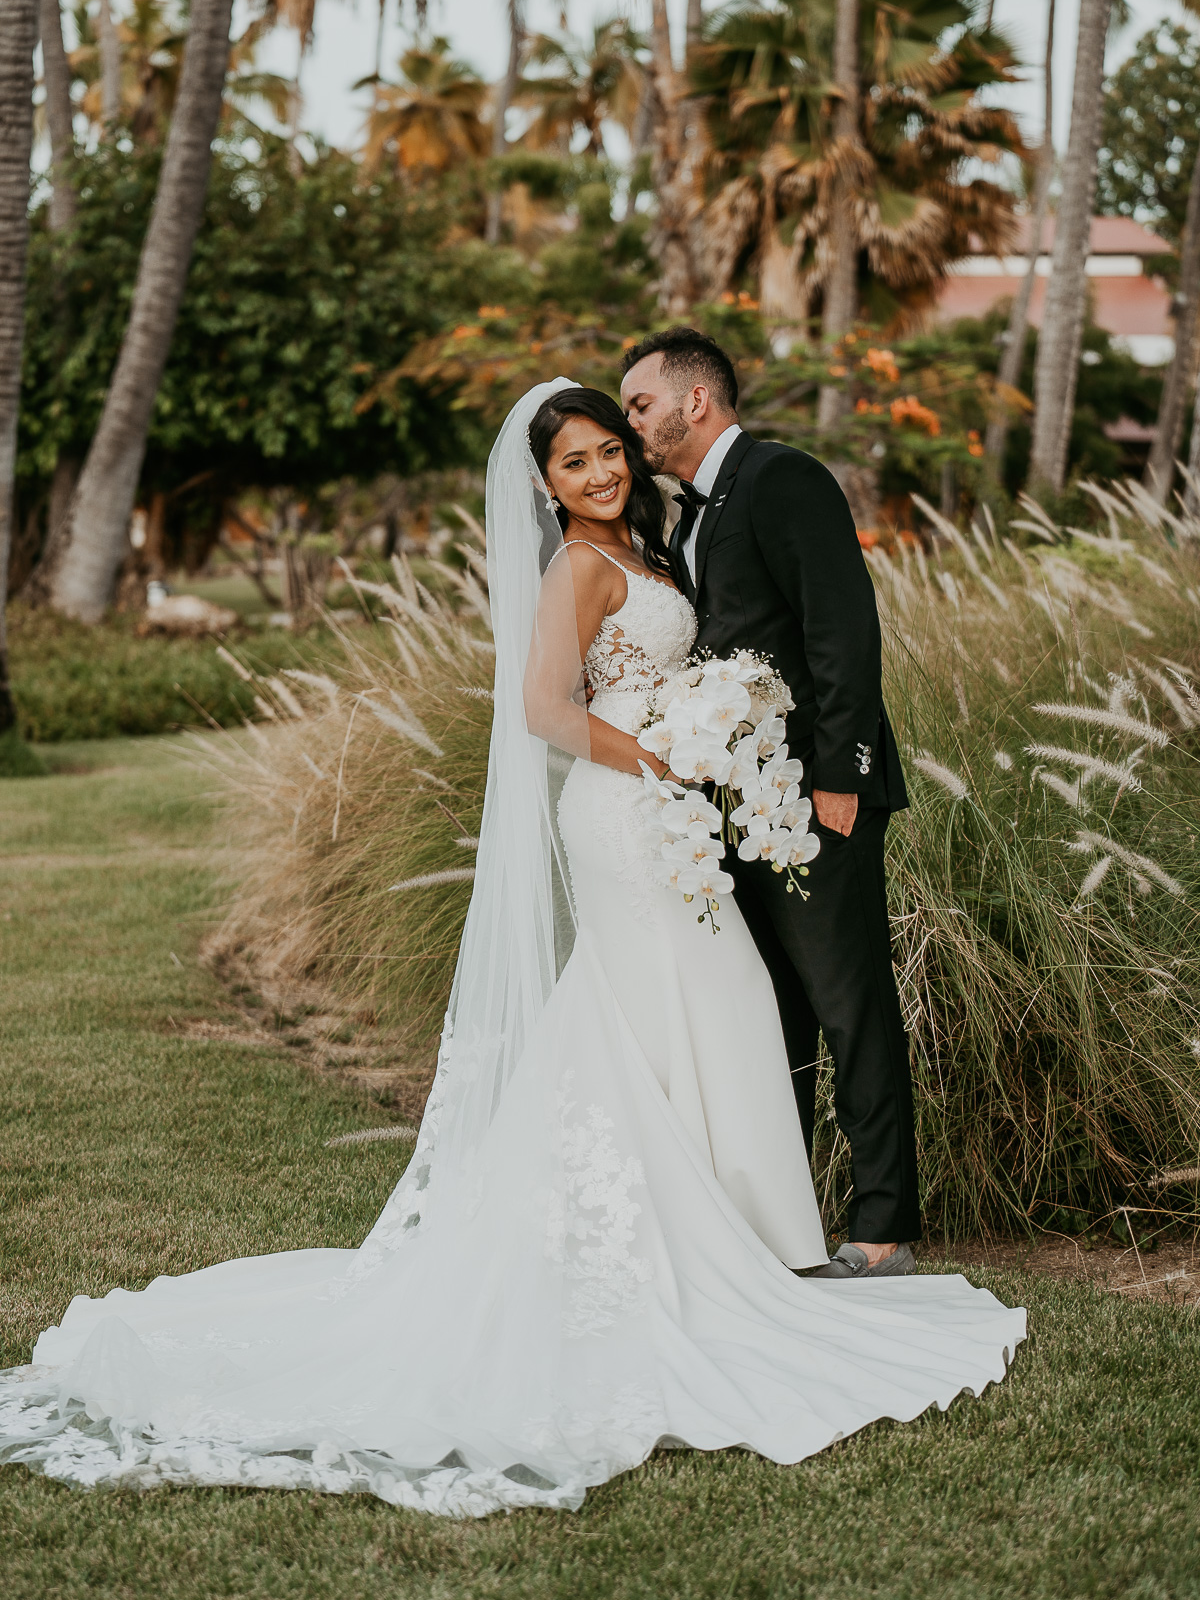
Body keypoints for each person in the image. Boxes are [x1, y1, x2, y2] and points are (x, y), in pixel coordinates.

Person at [0, 381, 1023, 1518]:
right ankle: (674, 1255)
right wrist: (667, 758)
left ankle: (729, 1242)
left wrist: (713, 732)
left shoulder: (652, 542)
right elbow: (545, 709)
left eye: (608, 451)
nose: (599, 472)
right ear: (542, 486)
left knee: (702, 1003)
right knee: (687, 997)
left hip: (672, 814)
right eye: (574, 463)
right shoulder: (580, 568)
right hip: (631, 812)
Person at [620, 328, 918, 1279]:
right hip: (730, 806)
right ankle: (780, 1221)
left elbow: (843, 627)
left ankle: (882, 1228)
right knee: (766, 1014)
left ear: (693, 401)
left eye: (637, 405)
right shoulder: (683, 513)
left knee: (847, 1004)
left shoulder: (785, 479)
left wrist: (842, 775)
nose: (631, 425)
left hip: (813, 798)